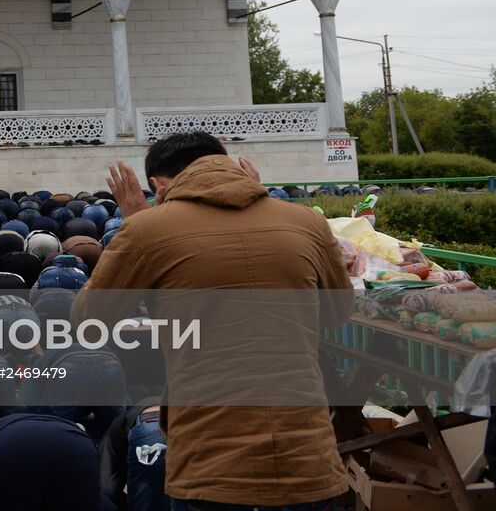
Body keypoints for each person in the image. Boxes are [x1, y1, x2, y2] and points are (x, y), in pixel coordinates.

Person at [75, 131, 353, 511]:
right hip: (307, 457)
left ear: (157, 184)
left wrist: (135, 227)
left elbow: (88, 320)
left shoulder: (146, 230)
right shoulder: (307, 222)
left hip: (210, 464)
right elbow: (338, 313)